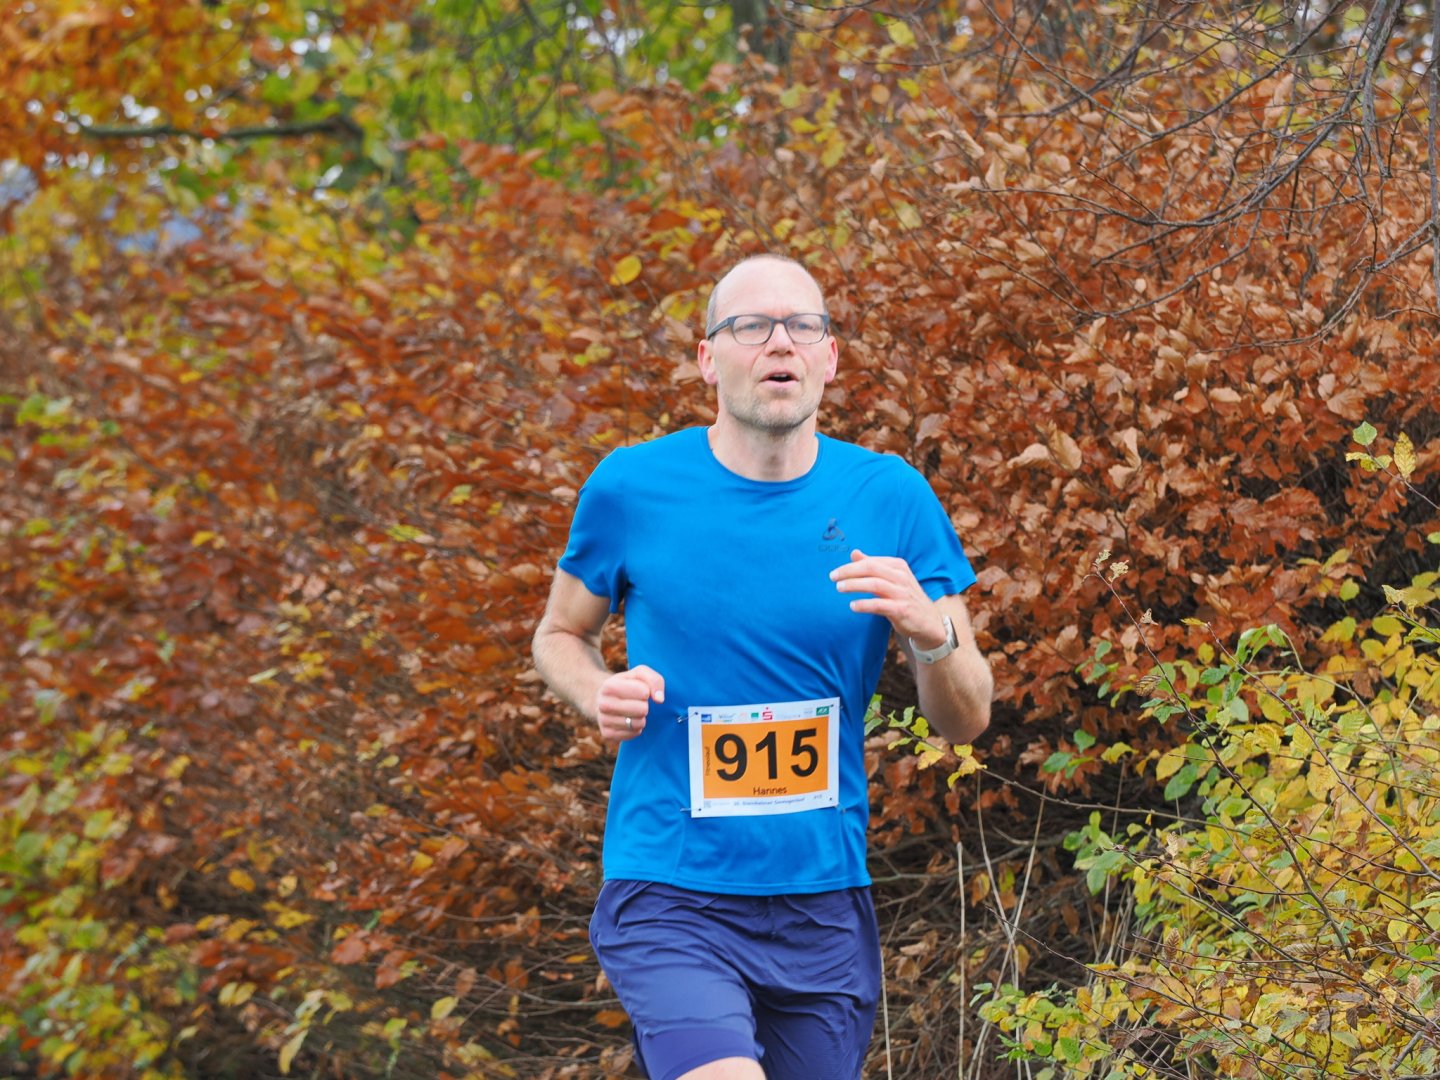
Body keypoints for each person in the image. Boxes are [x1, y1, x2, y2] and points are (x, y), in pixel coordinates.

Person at [532, 254, 992, 1080]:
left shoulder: (890, 495)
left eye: (802, 326)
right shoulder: (632, 487)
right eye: (751, 326)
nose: (780, 342)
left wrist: (932, 635)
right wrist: (596, 689)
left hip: (821, 899)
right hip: (671, 888)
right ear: (709, 359)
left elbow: (967, 718)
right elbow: (560, 632)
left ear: (829, 358)